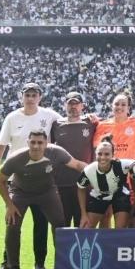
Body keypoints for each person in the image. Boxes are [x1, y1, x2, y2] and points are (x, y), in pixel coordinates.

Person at [0, 130, 85, 269]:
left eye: (40, 142)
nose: (36, 146)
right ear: (28, 142)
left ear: (46, 143)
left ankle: (63, 265)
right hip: (20, 192)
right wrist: (9, 205)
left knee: (60, 226)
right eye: (33, 142)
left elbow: (77, 164)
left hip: (47, 192)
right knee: (12, 225)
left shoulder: (56, 153)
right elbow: (0, 180)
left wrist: (97, 170)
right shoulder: (16, 158)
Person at [0, 82, 62, 269]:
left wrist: (91, 118)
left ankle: (39, 263)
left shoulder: (50, 115)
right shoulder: (12, 117)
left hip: (42, 180)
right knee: (12, 222)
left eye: (34, 94)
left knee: (41, 223)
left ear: (40, 97)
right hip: (17, 180)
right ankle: (8, 263)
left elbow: (69, 122)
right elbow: (1, 146)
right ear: (21, 96)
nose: (30, 98)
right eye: (27, 94)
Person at [50, 91, 97, 228]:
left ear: (82, 106)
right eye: (70, 104)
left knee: (82, 223)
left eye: (76, 104)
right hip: (62, 182)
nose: (73, 107)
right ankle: (60, 250)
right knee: (61, 223)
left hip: (84, 182)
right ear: (65, 105)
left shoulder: (91, 123)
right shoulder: (56, 125)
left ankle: (79, 250)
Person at [77, 138, 133, 229]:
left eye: (107, 154)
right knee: (85, 228)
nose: (103, 157)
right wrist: (83, 214)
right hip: (99, 196)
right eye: (100, 154)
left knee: (121, 229)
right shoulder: (89, 170)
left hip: (119, 195)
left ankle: (116, 243)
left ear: (113, 155)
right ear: (95, 154)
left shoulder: (121, 164)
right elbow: (80, 188)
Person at [92, 92, 135, 160]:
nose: (119, 107)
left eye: (123, 105)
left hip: (128, 167)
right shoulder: (102, 125)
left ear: (128, 108)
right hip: (109, 167)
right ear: (112, 106)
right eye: (116, 104)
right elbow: (95, 145)